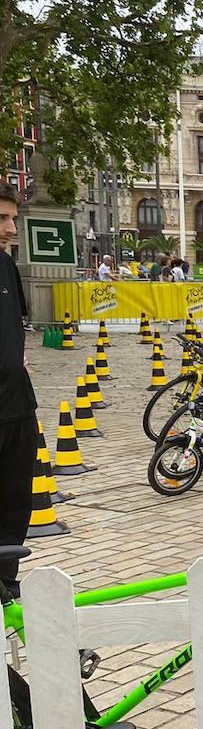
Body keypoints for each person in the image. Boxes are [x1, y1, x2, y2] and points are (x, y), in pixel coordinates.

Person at [0, 185, 38, 601]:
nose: (10, 228)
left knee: (15, 503)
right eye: (1, 218)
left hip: (17, 408)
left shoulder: (6, 268)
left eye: (12, 218)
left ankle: (5, 583)